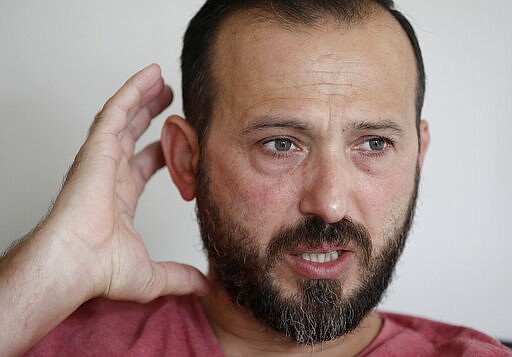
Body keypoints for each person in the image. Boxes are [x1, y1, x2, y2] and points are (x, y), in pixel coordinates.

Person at [0, 0, 510, 356]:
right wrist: (52, 266)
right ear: (185, 161)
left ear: (418, 155)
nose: (330, 203)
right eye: (280, 144)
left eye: (373, 144)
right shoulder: (43, 337)